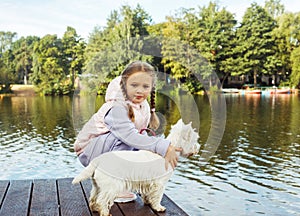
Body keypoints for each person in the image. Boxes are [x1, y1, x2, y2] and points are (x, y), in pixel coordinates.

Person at [74, 60, 181, 202]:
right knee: (126, 138)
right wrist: (164, 146)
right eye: (134, 85)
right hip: (89, 152)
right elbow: (129, 136)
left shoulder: (143, 106)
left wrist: (156, 148)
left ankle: (140, 183)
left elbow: (140, 135)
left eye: (145, 86)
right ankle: (114, 181)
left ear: (151, 88)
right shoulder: (115, 107)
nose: (140, 90)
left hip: (108, 148)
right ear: (124, 85)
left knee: (144, 144)